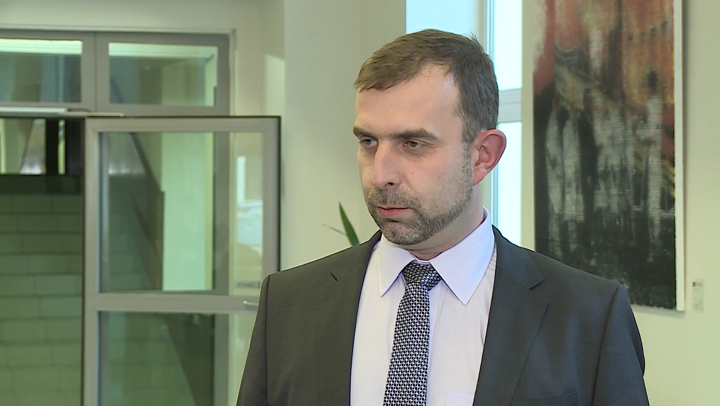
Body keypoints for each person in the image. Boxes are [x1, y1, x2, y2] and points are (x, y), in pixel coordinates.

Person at [237, 29, 649, 406]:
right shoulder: (289, 305)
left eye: (413, 144)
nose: (380, 175)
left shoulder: (588, 316)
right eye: (369, 142)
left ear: (483, 155)